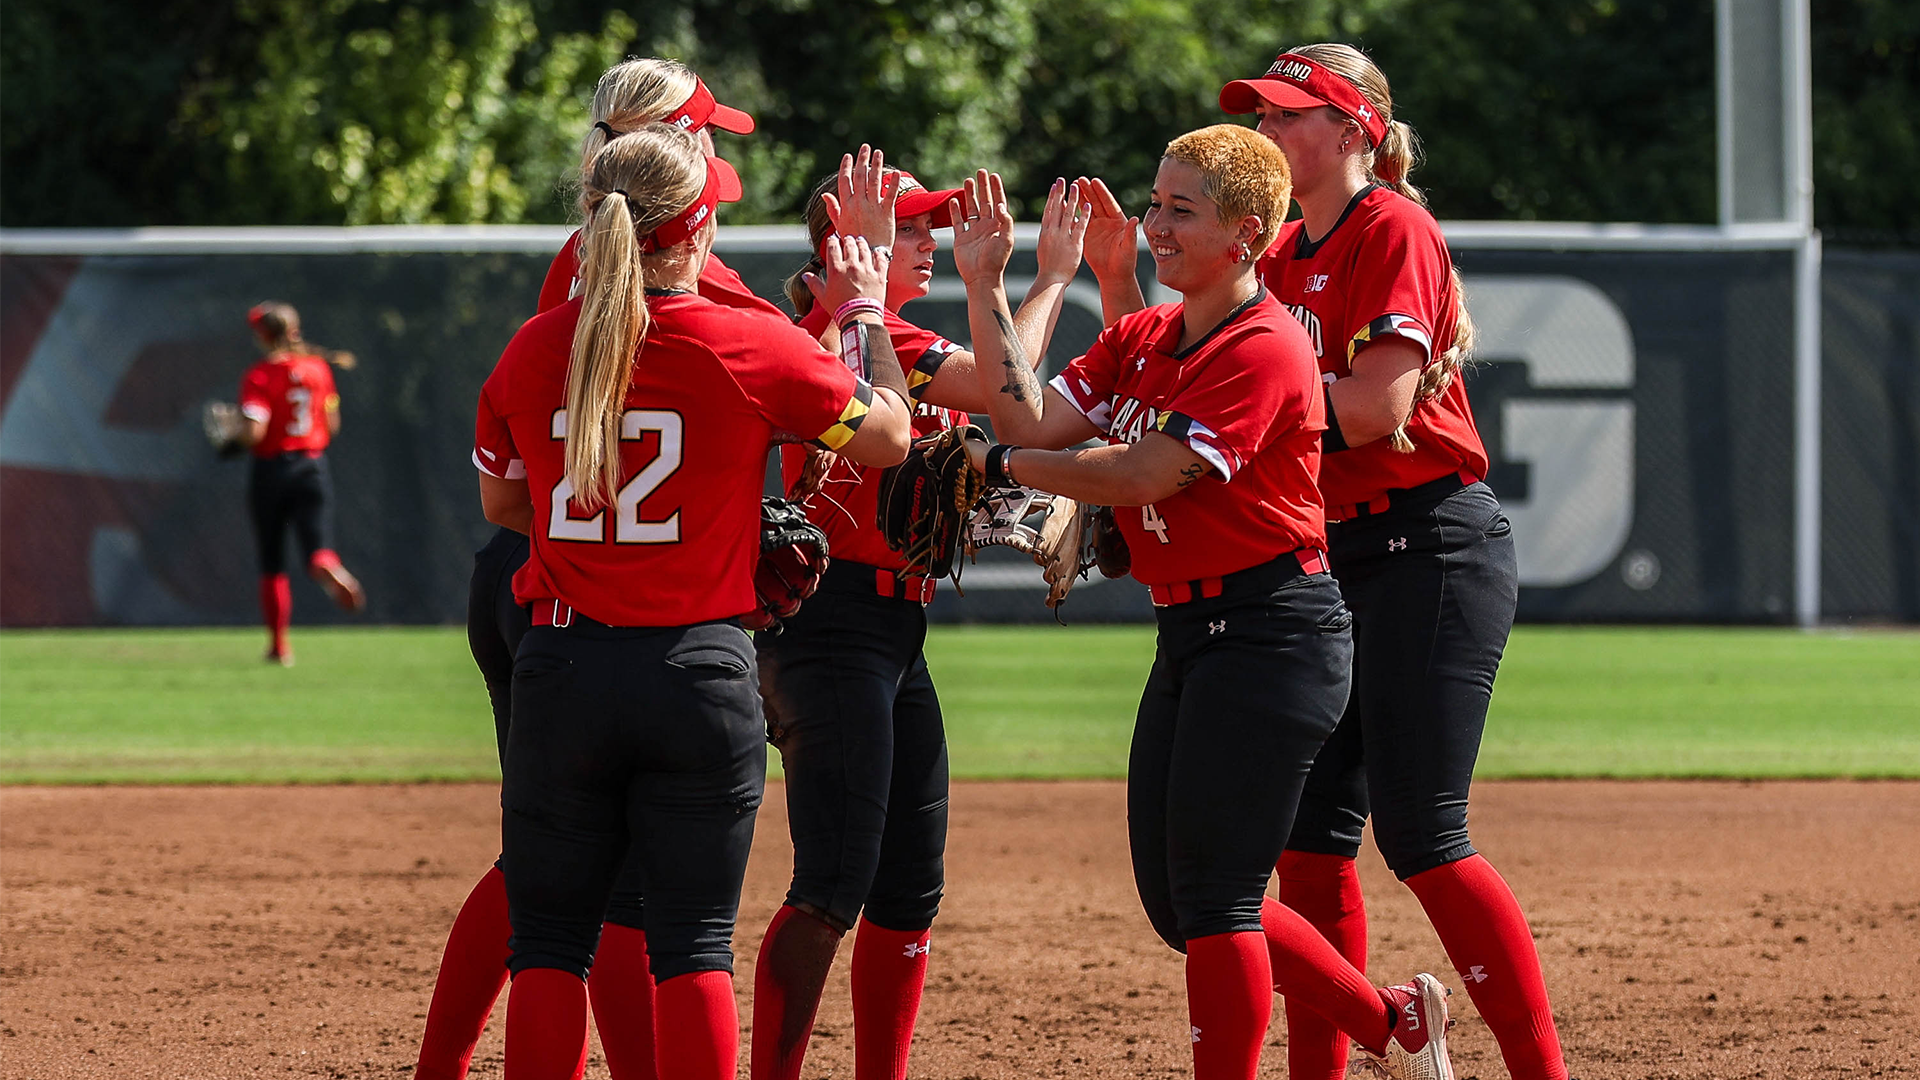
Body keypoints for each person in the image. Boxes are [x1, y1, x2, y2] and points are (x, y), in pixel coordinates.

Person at [950, 127, 1453, 1080]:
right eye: (1156, 204)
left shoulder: (1266, 345)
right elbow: (1025, 418)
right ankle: (1391, 1025)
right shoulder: (1145, 336)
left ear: (1248, 233)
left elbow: (1148, 472)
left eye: (1183, 210)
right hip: (1191, 633)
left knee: (1218, 899)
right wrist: (985, 286)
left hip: (1275, 633)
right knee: (1178, 900)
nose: (1156, 226)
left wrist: (1003, 470)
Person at [469, 125, 913, 1080]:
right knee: (693, 945)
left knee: (547, 944)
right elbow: (886, 439)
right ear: (700, 227)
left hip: (564, 666)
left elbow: (503, 502)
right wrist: (866, 313)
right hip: (697, 673)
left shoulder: (538, 345)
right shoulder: (747, 342)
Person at [417, 59, 771, 1080]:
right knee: (598, 889)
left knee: (557, 870)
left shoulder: (592, 247)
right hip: (584, 594)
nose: (719, 149)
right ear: (674, 141)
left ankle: (444, 1066)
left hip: (543, 573)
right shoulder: (664, 268)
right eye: (709, 132)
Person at [1220, 44, 1567, 1079]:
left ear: (1357, 129)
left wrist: (1242, 412)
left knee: (1424, 833)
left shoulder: (1392, 227)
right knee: (1307, 849)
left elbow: (1375, 409)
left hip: (1430, 551)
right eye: (1264, 114)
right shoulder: (1275, 259)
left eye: (1292, 113)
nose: (1271, 129)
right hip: (1330, 558)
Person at [748, 164, 1087, 1080]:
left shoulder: (888, 331)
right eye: (910, 226)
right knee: (831, 884)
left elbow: (1013, 397)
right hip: (830, 631)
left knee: (906, 890)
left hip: (895, 635)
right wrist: (1040, 282)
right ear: (845, 238)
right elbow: (1002, 393)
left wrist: (1035, 283)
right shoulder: (843, 328)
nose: (932, 239)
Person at [234, 301, 365, 665]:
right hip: (312, 466)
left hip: (271, 471)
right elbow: (332, 425)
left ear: (262, 335)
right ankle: (326, 562)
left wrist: (234, 433)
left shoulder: (259, 376)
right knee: (317, 546)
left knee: (272, 561)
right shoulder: (319, 370)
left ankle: (279, 647)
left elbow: (255, 432)